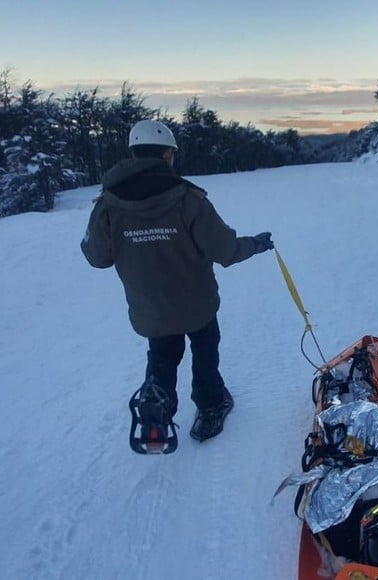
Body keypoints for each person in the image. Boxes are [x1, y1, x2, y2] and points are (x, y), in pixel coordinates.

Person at [81, 119, 274, 443]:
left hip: (150, 308)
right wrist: (255, 244)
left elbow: (96, 256)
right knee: (204, 347)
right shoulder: (187, 199)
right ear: (168, 155)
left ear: (133, 152)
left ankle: (156, 409)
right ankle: (211, 406)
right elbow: (224, 249)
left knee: (162, 354)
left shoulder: (107, 204)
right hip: (196, 303)